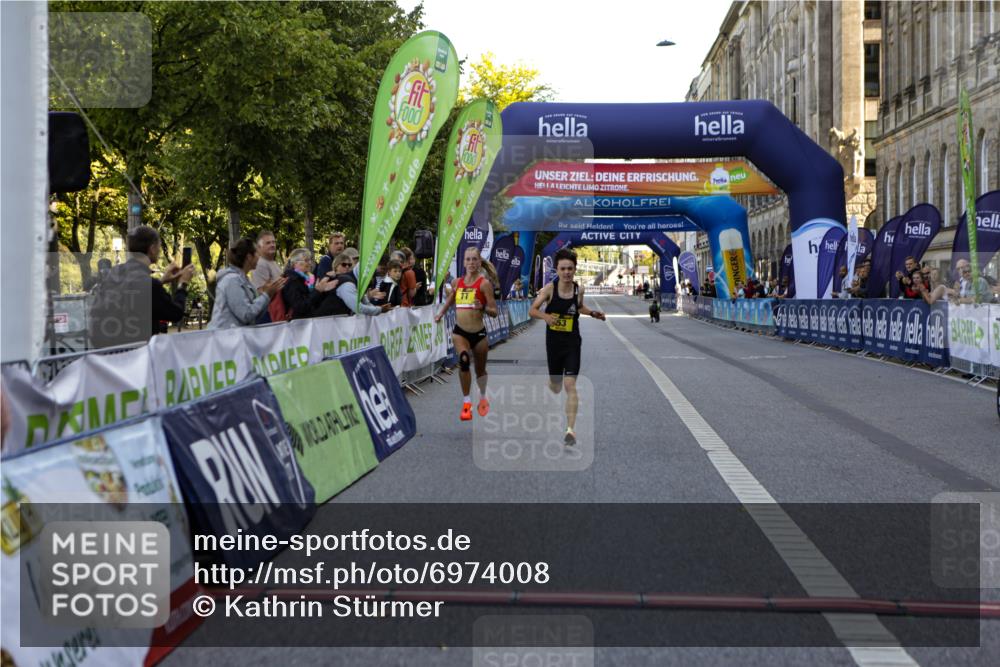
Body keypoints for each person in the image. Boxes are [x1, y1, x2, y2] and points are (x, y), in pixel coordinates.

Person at [528, 248, 606, 447]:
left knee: (569, 385)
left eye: (570, 268)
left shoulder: (579, 289)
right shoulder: (549, 289)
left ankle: (570, 430)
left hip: (572, 342)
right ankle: (552, 383)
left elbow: (579, 307)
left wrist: (593, 313)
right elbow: (532, 310)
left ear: (575, 269)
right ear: (557, 269)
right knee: (556, 387)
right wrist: (546, 317)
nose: (567, 272)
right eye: (563, 269)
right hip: (553, 343)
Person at [88, 225, 194, 348]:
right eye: (159, 247)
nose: (159, 251)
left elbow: (134, 292)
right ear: (153, 248)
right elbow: (176, 313)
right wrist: (183, 283)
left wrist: (161, 281)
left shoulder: (114, 274)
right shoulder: (149, 285)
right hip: (137, 356)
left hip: (106, 356)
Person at [434, 246, 499, 421]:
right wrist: (440, 313)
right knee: (463, 361)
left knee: (480, 370)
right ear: (463, 262)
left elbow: (494, 311)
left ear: (479, 262)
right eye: (468, 259)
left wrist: (483, 307)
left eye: (474, 259)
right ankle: (466, 402)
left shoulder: (484, 284)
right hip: (460, 332)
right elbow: (451, 299)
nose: (471, 263)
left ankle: (483, 396)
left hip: (478, 334)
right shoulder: (457, 282)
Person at [209, 238, 286, 329]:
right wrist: (267, 295)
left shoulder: (244, 280)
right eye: (257, 253)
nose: (259, 257)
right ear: (249, 257)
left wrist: (267, 294)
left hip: (235, 338)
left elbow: (255, 314)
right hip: (225, 339)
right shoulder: (231, 280)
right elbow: (246, 315)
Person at [280, 249, 339, 319]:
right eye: (306, 260)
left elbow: (312, 300)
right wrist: (317, 291)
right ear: (295, 263)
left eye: (310, 260)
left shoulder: (307, 278)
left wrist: (322, 291)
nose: (310, 263)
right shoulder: (292, 281)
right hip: (298, 324)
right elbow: (300, 307)